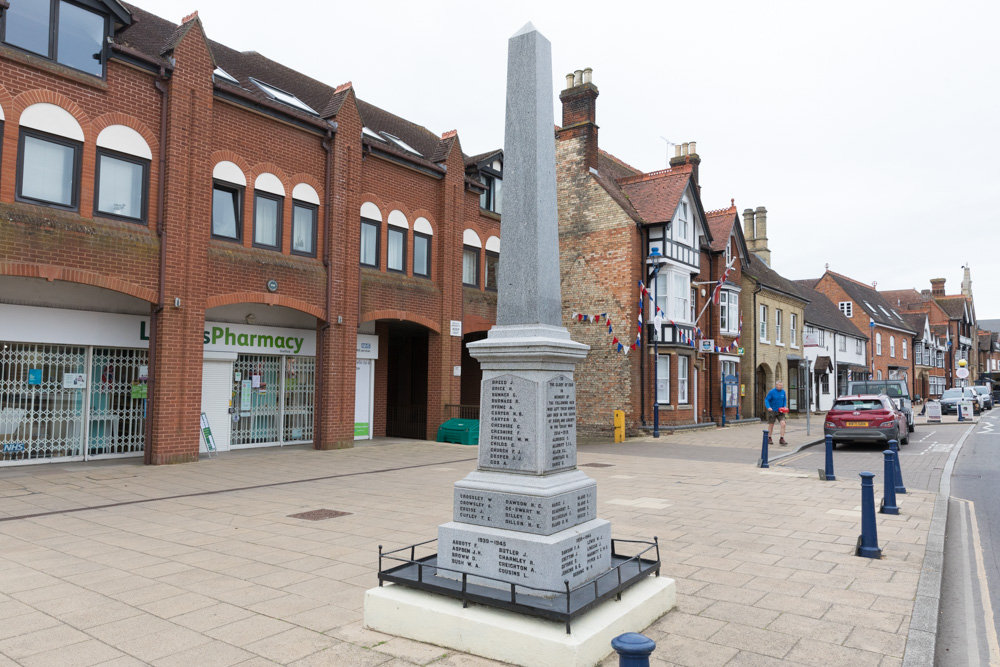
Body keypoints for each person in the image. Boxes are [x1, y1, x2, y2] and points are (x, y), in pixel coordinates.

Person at [765, 380, 788, 445]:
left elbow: (784, 400)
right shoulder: (771, 392)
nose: (781, 386)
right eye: (780, 385)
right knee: (771, 425)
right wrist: (768, 407)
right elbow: (766, 399)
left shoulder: (783, 392)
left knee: (783, 424)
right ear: (776, 385)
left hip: (781, 411)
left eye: (781, 385)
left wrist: (785, 406)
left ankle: (782, 439)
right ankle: (769, 438)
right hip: (772, 411)